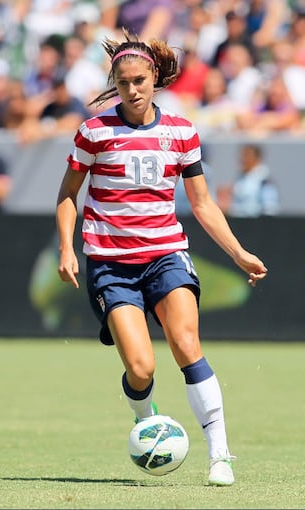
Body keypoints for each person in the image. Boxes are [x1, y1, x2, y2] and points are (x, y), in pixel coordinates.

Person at [56, 29, 268, 487]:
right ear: (114, 81)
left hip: (166, 255)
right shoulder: (93, 132)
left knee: (187, 345)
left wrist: (239, 253)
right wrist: (66, 247)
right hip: (111, 265)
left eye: (139, 80)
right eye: (124, 81)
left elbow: (204, 204)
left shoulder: (181, 132)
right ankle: (143, 415)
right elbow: (68, 195)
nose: (132, 90)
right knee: (140, 368)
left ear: (155, 77)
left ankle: (219, 455)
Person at [217, 144, 280, 217]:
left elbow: (270, 209)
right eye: (242, 155)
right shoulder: (240, 178)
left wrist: (232, 209)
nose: (242, 159)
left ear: (257, 158)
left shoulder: (264, 181)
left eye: (246, 155)